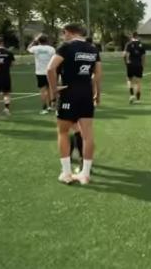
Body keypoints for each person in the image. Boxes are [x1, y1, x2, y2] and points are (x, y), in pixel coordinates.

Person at [47, 23, 102, 185]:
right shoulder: (93, 49)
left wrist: (54, 89)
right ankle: (85, 174)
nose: (63, 36)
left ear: (70, 32)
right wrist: (97, 93)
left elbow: (50, 69)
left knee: (63, 132)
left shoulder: (65, 47)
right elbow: (98, 74)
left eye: (64, 33)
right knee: (87, 134)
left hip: (69, 94)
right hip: (86, 95)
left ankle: (66, 173)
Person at [28, 34, 56, 114]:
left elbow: (28, 48)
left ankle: (44, 108)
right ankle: (51, 106)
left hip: (39, 72)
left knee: (42, 91)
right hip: (49, 71)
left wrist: (34, 41)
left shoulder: (35, 48)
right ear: (47, 40)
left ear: (38, 41)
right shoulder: (51, 49)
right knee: (50, 89)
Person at [0, 37, 15, 116]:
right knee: (6, 93)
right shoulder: (8, 52)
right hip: (5, 75)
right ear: (2, 42)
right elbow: (12, 64)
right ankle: (7, 109)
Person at [124, 32, 146, 104]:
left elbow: (125, 55)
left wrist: (126, 63)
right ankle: (138, 100)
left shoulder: (129, 44)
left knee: (129, 80)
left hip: (130, 64)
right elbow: (143, 56)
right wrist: (143, 65)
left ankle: (131, 95)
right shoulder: (141, 45)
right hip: (139, 65)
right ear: (137, 36)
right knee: (138, 82)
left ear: (132, 36)